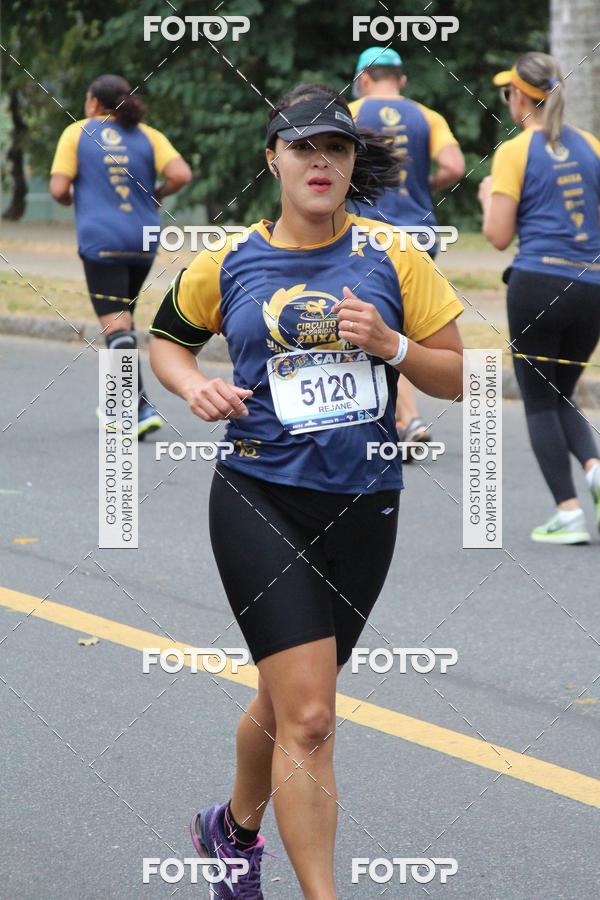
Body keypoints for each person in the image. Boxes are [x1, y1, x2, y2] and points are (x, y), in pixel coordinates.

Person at [149, 83, 464, 899]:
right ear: (273, 159)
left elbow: (462, 377)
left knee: (290, 696)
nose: (319, 162)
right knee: (314, 719)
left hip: (364, 501)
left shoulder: (395, 257)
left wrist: (392, 343)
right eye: (302, 147)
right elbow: (168, 342)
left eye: (336, 148)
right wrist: (193, 388)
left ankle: (232, 831)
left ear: (353, 161)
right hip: (259, 493)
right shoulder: (229, 260)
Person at [479, 52, 600, 544]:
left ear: (521, 98)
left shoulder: (515, 152)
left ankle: (568, 512)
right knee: (561, 392)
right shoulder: (592, 145)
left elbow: (498, 236)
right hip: (592, 287)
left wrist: (488, 197)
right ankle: (594, 468)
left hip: (538, 284)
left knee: (537, 400)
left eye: (509, 91)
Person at [49, 74, 192, 437]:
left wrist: (71, 199)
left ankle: (134, 410)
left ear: (94, 102)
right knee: (122, 320)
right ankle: (128, 403)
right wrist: (156, 193)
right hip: (143, 239)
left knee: (117, 324)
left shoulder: (77, 132)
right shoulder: (149, 134)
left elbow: (58, 188)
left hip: (102, 240)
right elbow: (181, 173)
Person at [349, 47, 466, 450]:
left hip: (367, 235)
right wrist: (421, 188)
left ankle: (402, 419)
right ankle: (406, 418)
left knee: (378, 331)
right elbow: (454, 167)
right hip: (419, 236)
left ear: (363, 79)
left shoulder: (348, 113)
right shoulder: (428, 116)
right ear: (400, 78)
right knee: (401, 331)